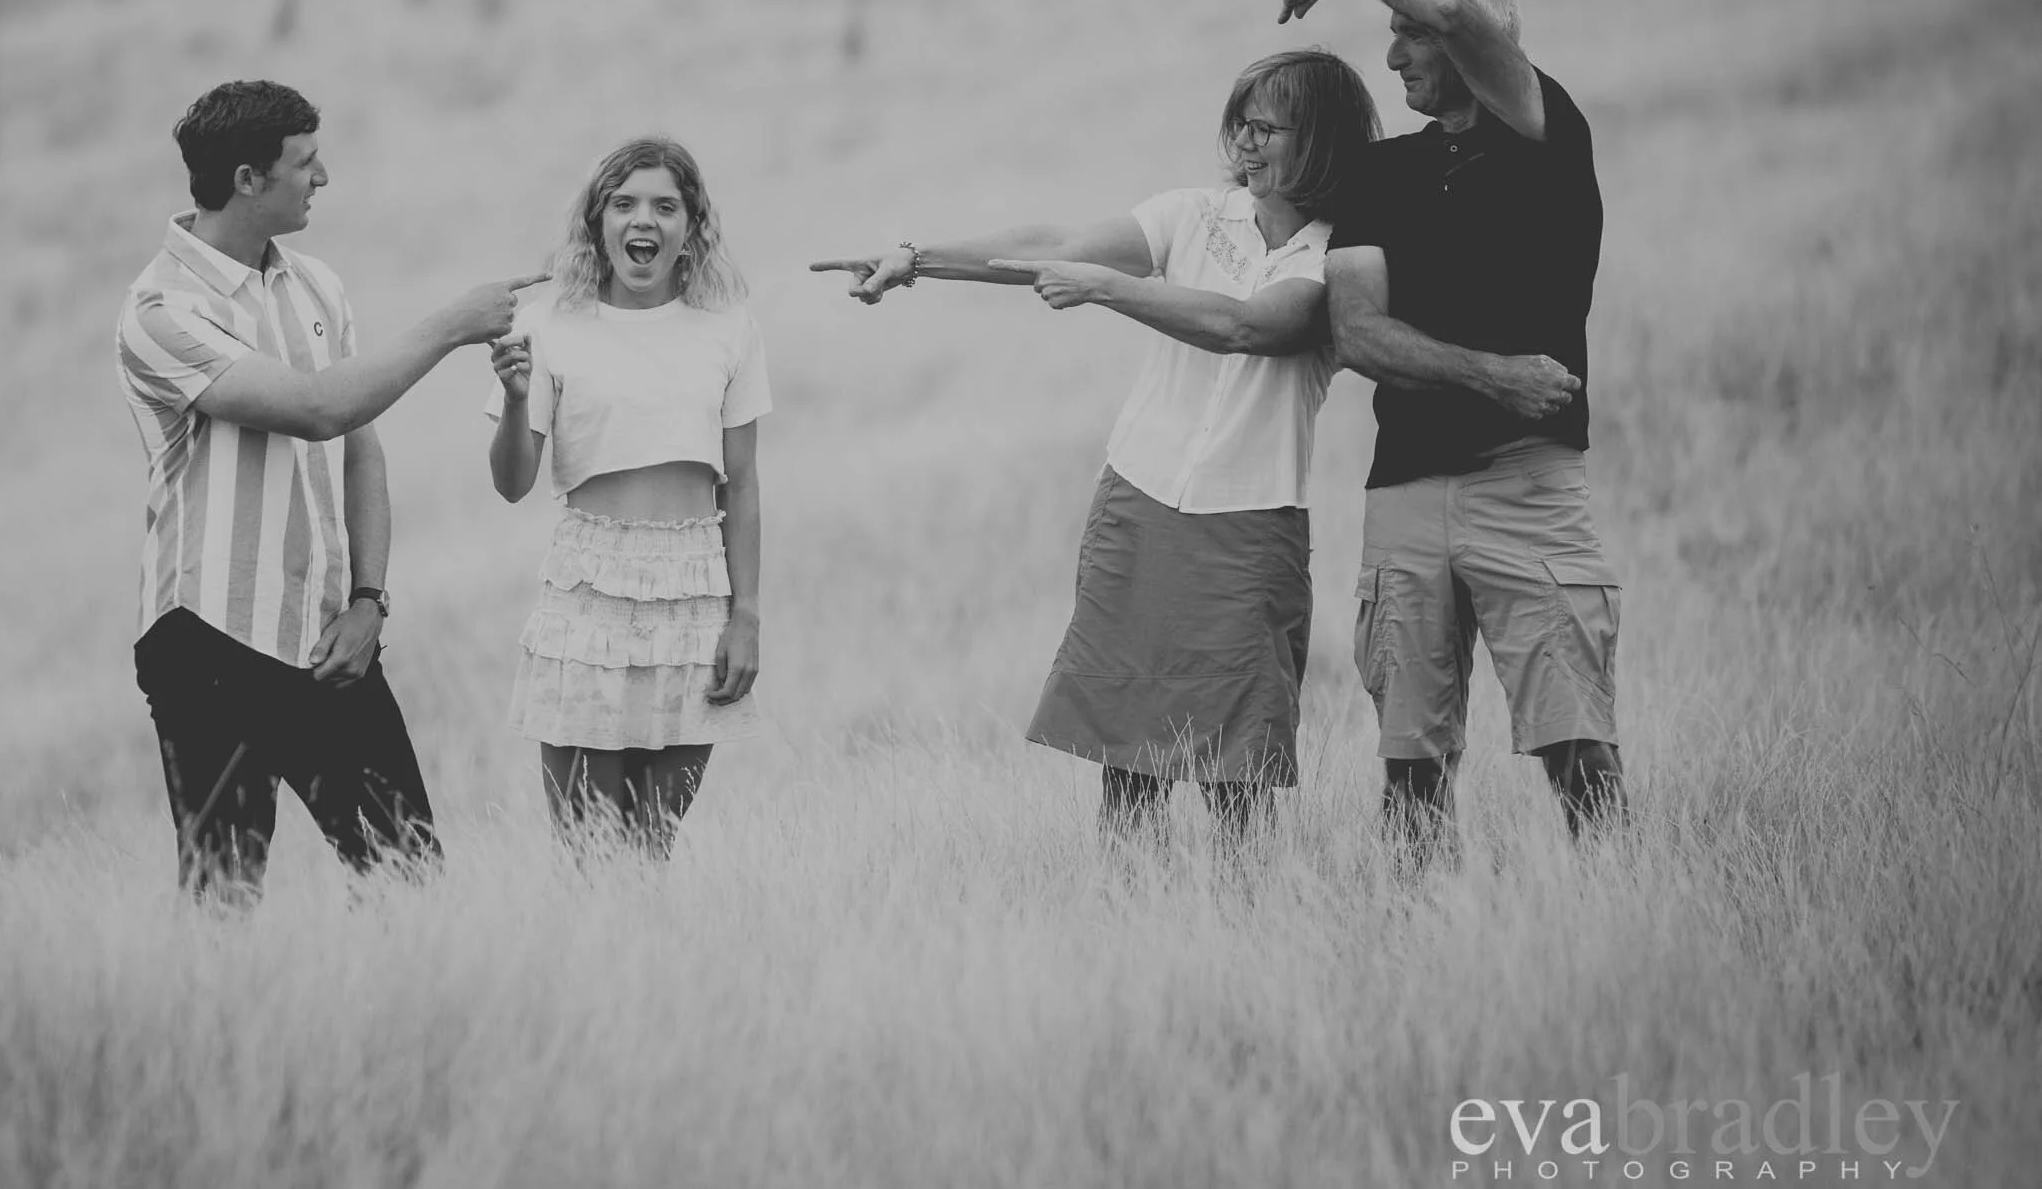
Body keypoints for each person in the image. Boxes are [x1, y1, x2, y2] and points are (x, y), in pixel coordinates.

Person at [814, 50, 1379, 840]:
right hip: (1140, 504)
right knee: (1128, 746)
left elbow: (1247, 327)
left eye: (1267, 129)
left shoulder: (1338, 257)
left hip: (1249, 529)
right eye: (1240, 125)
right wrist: (918, 259)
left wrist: (1108, 290)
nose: (1245, 144)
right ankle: (1128, 907)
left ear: (1317, 142)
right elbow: (1063, 241)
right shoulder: (1195, 215)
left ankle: (1249, 921)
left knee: (1239, 764)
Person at [116, 78, 543, 902]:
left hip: (326, 642)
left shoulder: (316, 285)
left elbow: (360, 450)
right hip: (207, 640)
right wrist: (454, 323)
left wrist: (370, 601)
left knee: (411, 881)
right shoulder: (159, 310)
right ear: (248, 179)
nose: (323, 178)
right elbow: (318, 411)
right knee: (225, 895)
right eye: (305, 163)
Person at [1275, 0, 1627, 854]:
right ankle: (1417, 942)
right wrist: (1494, 373)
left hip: (1528, 486)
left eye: (1407, 35)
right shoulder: (1383, 175)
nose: (1394, 55)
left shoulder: (1544, 137)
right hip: (1404, 493)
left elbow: (1457, 8)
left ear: (1476, 49)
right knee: (1411, 763)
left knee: (1577, 741)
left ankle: (1618, 912)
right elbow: (1358, 333)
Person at [485, 137, 769, 857]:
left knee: (652, 849)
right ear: (597, 222)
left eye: (665, 206)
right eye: (625, 204)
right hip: (589, 591)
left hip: (693, 593)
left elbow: (742, 483)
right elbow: (514, 483)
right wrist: (518, 400)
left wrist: (747, 616)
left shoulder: (728, 326)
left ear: (690, 227)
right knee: (588, 853)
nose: (644, 220)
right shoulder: (548, 322)